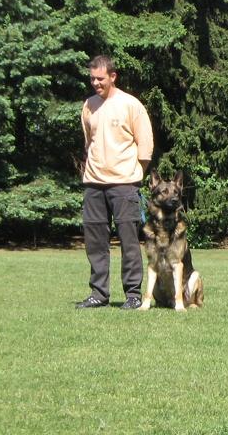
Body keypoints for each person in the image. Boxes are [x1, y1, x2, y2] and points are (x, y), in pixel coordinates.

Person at [75, 55, 154, 310]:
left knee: (129, 243)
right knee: (95, 243)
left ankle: (133, 295)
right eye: (92, 79)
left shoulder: (130, 105)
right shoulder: (89, 105)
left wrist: (134, 175)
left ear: (113, 76)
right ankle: (99, 294)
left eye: (100, 78)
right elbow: (89, 142)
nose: (95, 83)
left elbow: (145, 147)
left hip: (124, 184)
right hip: (94, 184)